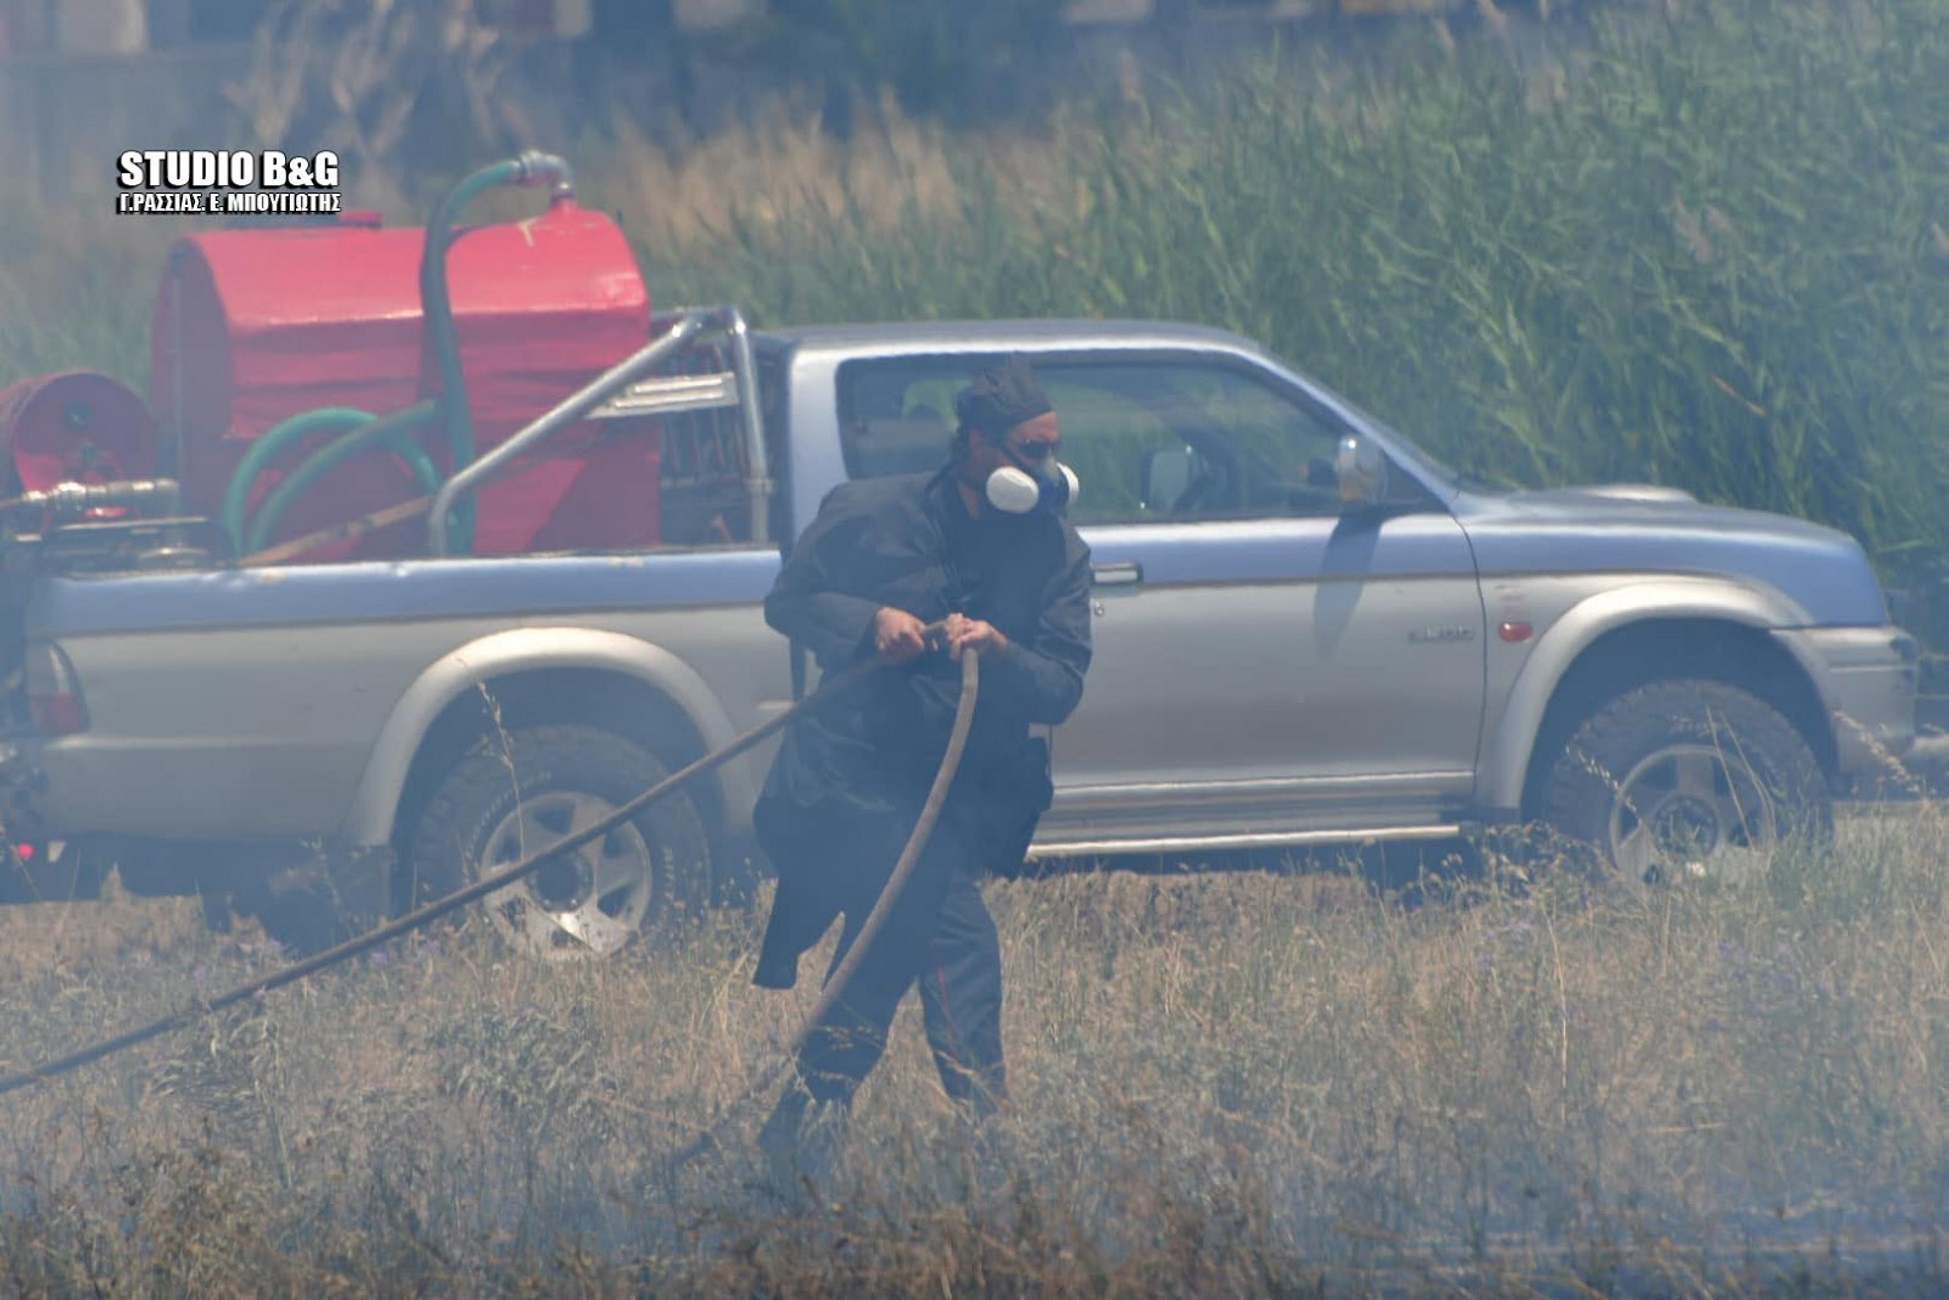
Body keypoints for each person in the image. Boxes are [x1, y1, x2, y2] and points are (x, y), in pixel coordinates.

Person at [749, 355, 1093, 1188]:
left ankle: (801, 1126)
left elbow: (1061, 688)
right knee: (955, 943)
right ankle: (992, 1145)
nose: (1042, 471)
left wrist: (1001, 651)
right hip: (854, 782)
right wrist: (873, 622)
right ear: (975, 445)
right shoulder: (870, 513)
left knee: (888, 948)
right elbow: (788, 602)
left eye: (1051, 451)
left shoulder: (1055, 550)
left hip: (954, 797)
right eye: (1026, 451)